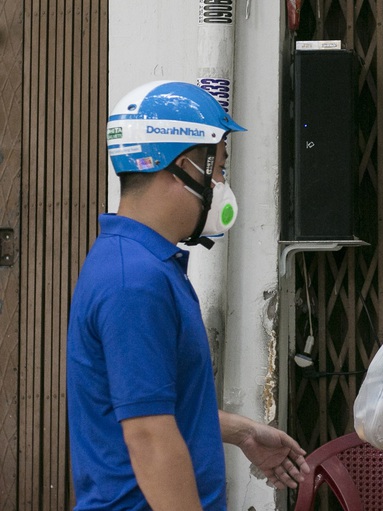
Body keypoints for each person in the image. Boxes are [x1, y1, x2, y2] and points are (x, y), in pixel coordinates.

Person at [67, 81, 310, 510]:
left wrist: (243, 432)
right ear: (185, 167)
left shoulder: (141, 264)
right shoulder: (134, 281)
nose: (220, 184)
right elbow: (149, 437)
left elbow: (148, 401)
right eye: (218, 168)